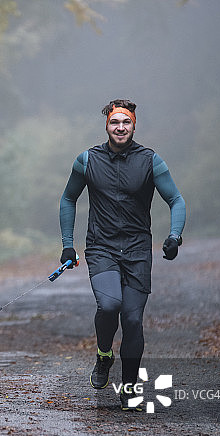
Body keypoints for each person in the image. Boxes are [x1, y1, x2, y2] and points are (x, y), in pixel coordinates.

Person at [58, 99, 186, 411]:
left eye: (126, 122)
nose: (120, 127)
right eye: (115, 122)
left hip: (137, 249)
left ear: (133, 125)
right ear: (107, 125)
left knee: (132, 319)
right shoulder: (87, 160)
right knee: (109, 304)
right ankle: (104, 354)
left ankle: (129, 389)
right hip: (101, 246)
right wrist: (67, 244)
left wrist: (174, 236)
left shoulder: (150, 160)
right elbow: (68, 198)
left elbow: (176, 199)